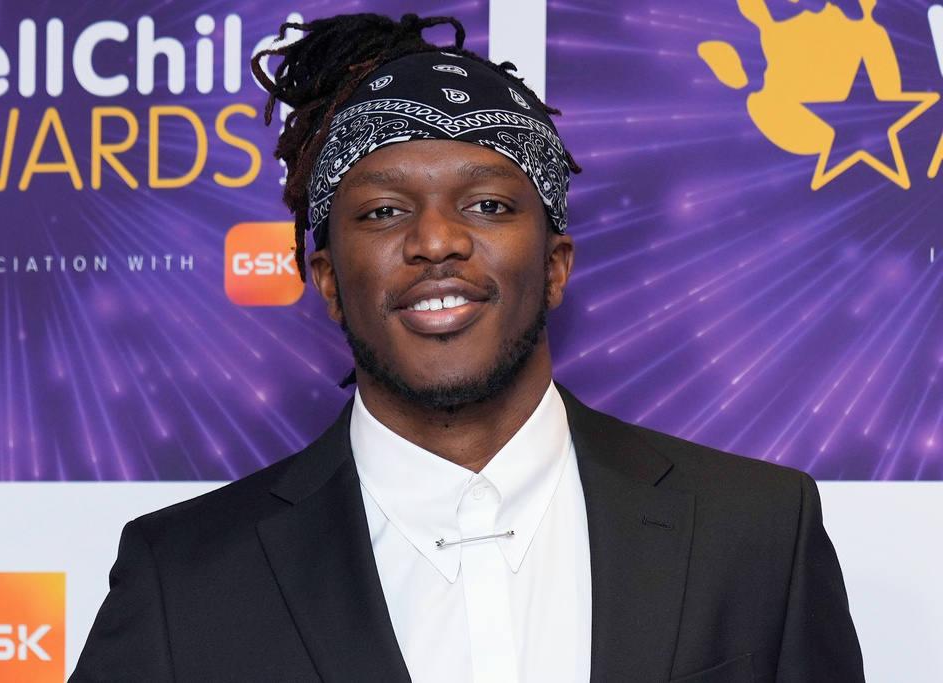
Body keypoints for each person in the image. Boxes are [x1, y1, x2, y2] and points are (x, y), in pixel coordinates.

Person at [69, 13, 864, 683]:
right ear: (328, 279)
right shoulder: (185, 578)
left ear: (555, 266)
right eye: (382, 212)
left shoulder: (756, 533)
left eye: (486, 203)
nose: (437, 240)